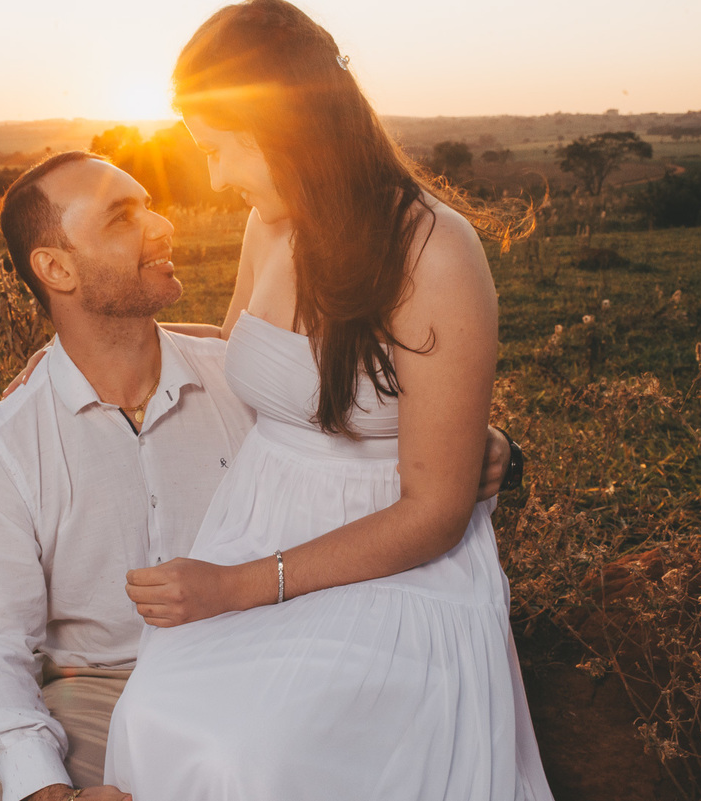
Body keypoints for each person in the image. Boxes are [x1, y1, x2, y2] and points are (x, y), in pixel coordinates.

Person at [0, 150, 520, 801]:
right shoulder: (9, 447)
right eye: (122, 217)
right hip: (96, 692)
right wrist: (47, 791)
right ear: (56, 268)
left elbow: (380, 454)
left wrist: (487, 447)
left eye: (150, 205)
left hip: (267, 660)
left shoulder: (248, 388)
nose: (163, 226)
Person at [101, 2, 553, 800]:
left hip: (389, 558)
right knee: (152, 711)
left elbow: (434, 511)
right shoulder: (267, 225)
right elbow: (242, 349)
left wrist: (233, 586)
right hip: (257, 523)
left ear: (283, 129)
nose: (216, 178)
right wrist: (85, 347)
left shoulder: (434, 252)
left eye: (218, 150)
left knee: (250, 756)